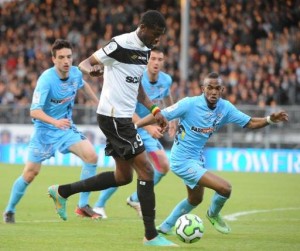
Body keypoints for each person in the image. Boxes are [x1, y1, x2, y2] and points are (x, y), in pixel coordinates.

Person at [47, 10, 177, 247]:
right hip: (114, 117)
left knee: (123, 177)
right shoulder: (120, 44)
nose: (157, 41)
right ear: (144, 27)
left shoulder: (145, 51)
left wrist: (155, 111)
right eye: (155, 35)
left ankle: (62, 192)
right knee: (147, 171)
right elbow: (85, 63)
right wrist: (92, 70)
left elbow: (136, 86)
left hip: (123, 118)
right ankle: (151, 235)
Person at [135, 72, 289, 235]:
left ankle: (165, 227)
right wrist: (136, 125)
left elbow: (249, 122)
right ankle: (213, 214)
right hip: (181, 160)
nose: (213, 92)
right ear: (203, 89)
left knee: (195, 199)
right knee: (225, 188)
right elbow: (160, 115)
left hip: (197, 158)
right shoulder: (189, 104)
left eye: (217, 88)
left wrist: (270, 119)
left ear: (222, 90)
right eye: (210, 87)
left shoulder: (226, 108)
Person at [3, 39, 101, 224]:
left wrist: (98, 103)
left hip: (64, 128)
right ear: (53, 59)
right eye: (62, 57)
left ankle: (82, 205)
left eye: (69, 57)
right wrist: (54, 122)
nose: (66, 61)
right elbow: (34, 111)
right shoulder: (46, 80)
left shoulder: (75, 73)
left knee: (92, 156)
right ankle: (9, 210)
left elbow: (83, 85)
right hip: (45, 131)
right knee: (30, 173)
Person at [93, 47, 177, 219]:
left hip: (149, 130)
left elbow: (168, 99)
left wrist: (173, 121)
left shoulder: (166, 80)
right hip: (130, 127)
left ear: (163, 62)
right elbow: (127, 109)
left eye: (159, 59)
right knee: (125, 171)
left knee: (163, 166)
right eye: (153, 58)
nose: (156, 62)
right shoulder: (137, 78)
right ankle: (99, 205)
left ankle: (135, 198)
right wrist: (148, 127)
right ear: (147, 60)